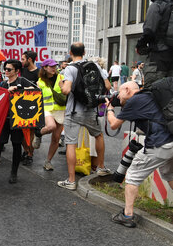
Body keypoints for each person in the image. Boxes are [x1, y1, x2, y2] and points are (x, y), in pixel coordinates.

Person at [105, 81, 173, 227]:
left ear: (128, 90)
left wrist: (110, 109)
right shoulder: (149, 96)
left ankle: (127, 215)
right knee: (170, 174)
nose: (118, 97)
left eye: (120, 92)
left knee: (132, 176)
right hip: (170, 140)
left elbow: (114, 124)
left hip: (159, 143)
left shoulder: (135, 100)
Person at [57, 43, 112, 191]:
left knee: (70, 144)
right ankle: (101, 167)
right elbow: (107, 86)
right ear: (84, 52)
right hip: (91, 110)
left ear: (70, 53)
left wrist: (62, 83)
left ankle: (71, 180)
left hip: (74, 111)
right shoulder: (94, 65)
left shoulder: (69, 68)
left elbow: (66, 90)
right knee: (99, 136)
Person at [0, 59, 35, 183]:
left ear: (17, 71)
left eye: (9, 69)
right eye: (5, 69)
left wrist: (20, 90)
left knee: (16, 145)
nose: (6, 71)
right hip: (4, 119)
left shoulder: (22, 81)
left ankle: (14, 173)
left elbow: (36, 90)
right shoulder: (3, 84)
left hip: (17, 120)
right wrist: (6, 92)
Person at [135, 0, 173, 88]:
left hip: (158, 60)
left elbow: (149, 31)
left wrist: (140, 46)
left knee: (153, 95)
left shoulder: (157, 5)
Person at [37, 59, 65, 171]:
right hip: (47, 109)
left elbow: (66, 92)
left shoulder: (61, 78)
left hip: (60, 110)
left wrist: (62, 86)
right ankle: (38, 133)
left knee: (56, 138)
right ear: (45, 68)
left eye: (55, 66)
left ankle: (48, 161)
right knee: (51, 126)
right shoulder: (40, 81)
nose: (54, 68)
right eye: (51, 66)